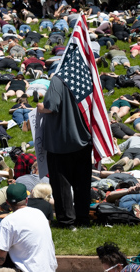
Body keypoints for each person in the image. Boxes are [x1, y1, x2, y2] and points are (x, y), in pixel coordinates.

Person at [37, 74, 93, 228]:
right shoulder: (86, 78)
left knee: (62, 186)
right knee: (83, 184)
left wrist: (40, 107)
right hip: (83, 140)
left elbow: (51, 106)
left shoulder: (58, 79)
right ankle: (83, 219)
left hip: (60, 142)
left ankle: (67, 221)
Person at [0, 183, 57, 271]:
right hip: (50, 269)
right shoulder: (40, 214)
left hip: (27, 270)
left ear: (7, 202)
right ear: (26, 199)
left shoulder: (8, 221)